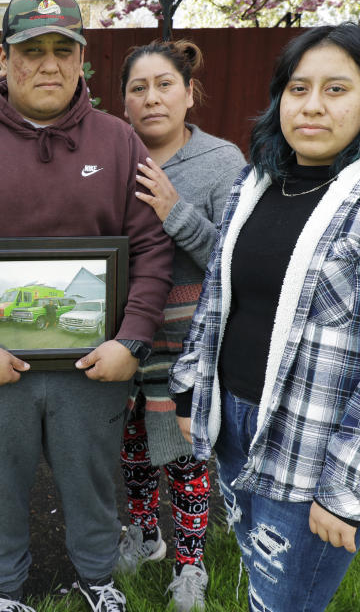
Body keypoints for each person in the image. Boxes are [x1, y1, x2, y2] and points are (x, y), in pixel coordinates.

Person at [169, 23, 360, 611]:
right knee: (258, 578)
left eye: (336, 89)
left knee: (286, 602)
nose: (311, 105)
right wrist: (189, 394)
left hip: (316, 451)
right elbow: (218, 298)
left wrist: (348, 488)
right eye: (298, 88)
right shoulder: (254, 187)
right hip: (234, 425)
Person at [0, 0, 173, 612]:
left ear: (82, 60)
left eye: (64, 50)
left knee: (90, 479)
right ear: (3, 58)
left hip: (95, 365)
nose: (49, 65)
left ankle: (98, 576)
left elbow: (151, 250)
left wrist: (132, 341)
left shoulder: (117, 143)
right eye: (32, 50)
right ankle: (4, 591)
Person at [115, 39, 246, 611]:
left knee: (188, 454)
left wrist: (175, 211)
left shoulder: (223, 162)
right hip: (124, 331)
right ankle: (145, 536)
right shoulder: (110, 155)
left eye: (164, 85)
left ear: (190, 94)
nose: (151, 99)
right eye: (138, 88)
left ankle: (190, 564)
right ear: (123, 103)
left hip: (189, 337)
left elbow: (238, 258)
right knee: (132, 448)